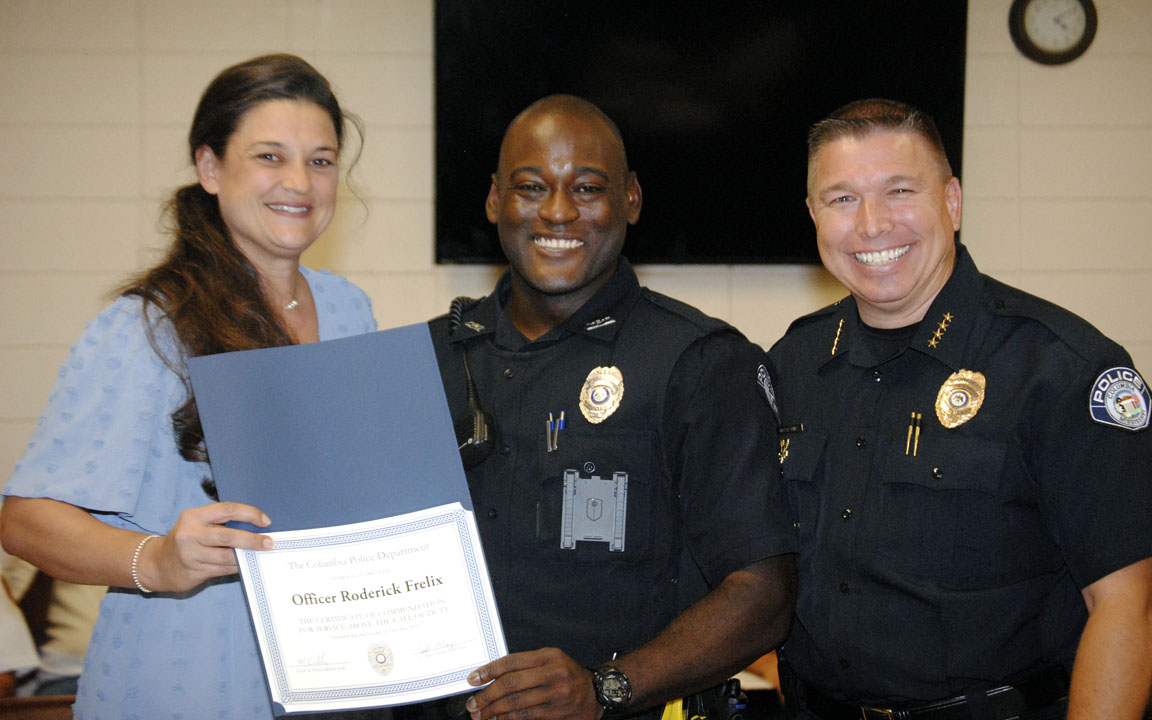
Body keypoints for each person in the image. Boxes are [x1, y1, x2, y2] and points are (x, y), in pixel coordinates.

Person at [0, 54, 377, 718]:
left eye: (320, 161)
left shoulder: (349, 310)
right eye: (269, 156)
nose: (299, 182)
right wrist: (158, 560)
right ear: (210, 167)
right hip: (185, 670)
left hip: (328, 665)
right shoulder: (146, 326)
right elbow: (26, 520)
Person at [766, 98, 1152, 720]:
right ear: (813, 215)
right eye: (842, 199)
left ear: (951, 201)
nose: (871, 224)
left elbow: (1129, 605)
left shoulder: (1060, 367)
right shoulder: (793, 363)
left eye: (899, 191)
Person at [426, 94, 797, 720]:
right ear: (494, 200)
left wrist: (605, 688)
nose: (558, 210)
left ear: (631, 199)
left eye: (588, 188)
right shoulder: (428, 359)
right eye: (531, 186)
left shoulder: (701, 363)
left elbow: (764, 595)